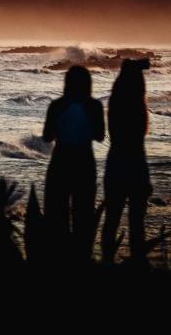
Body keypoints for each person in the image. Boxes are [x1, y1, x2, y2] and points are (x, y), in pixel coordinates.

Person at [43, 65, 105, 261]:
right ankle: (81, 258)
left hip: (61, 159)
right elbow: (100, 136)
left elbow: (47, 137)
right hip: (84, 160)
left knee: (58, 214)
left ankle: (60, 259)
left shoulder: (56, 105)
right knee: (83, 214)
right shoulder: (94, 106)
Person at [101, 59, 152, 264]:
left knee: (112, 217)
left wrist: (133, 67)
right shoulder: (139, 109)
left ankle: (106, 260)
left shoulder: (115, 104)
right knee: (137, 221)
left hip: (115, 162)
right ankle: (138, 261)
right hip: (136, 163)